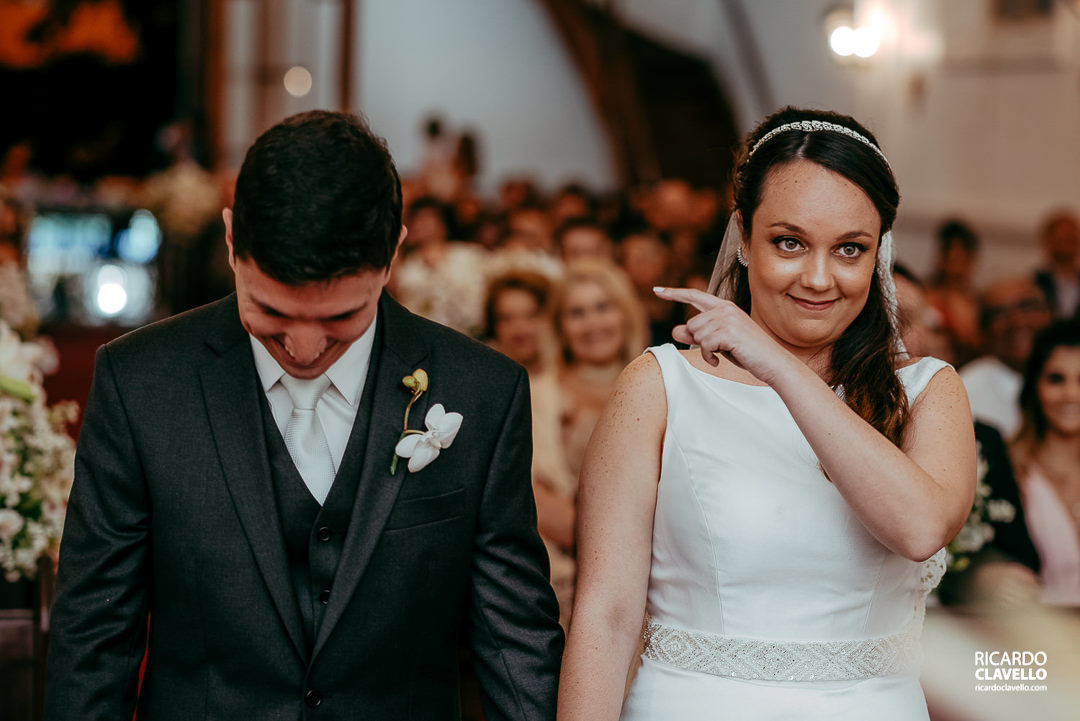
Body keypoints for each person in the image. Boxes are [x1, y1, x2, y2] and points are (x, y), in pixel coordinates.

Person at [44, 111, 563, 721]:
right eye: (271, 311)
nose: (305, 348)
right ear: (232, 241)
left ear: (394, 250)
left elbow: (513, 640)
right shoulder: (142, 383)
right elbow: (95, 635)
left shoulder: (483, 392)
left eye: (341, 318)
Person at [557, 107, 977, 720]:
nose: (817, 277)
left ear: (878, 253)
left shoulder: (927, 392)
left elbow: (918, 529)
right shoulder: (658, 386)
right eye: (789, 242)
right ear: (743, 239)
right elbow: (608, 614)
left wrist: (778, 366)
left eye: (849, 250)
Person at [530, 258, 648, 629]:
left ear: (625, 313)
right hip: (568, 586)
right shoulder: (538, 395)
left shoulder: (662, 385)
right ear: (560, 327)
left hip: (659, 586)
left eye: (603, 306)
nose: (593, 323)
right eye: (577, 313)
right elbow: (530, 494)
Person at [1009, 319, 1080, 605]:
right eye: (1056, 379)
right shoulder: (1009, 471)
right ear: (1034, 386)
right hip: (1038, 639)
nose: (1070, 394)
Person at [960, 275, 1053, 440]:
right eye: (1000, 312)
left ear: (1050, 314)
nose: (1017, 320)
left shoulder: (1072, 374)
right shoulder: (966, 392)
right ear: (982, 332)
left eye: (1027, 306)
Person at [1032, 209, 1080, 321]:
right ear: (1048, 242)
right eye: (1062, 240)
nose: (1067, 246)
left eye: (1071, 240)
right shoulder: (1035, 285)